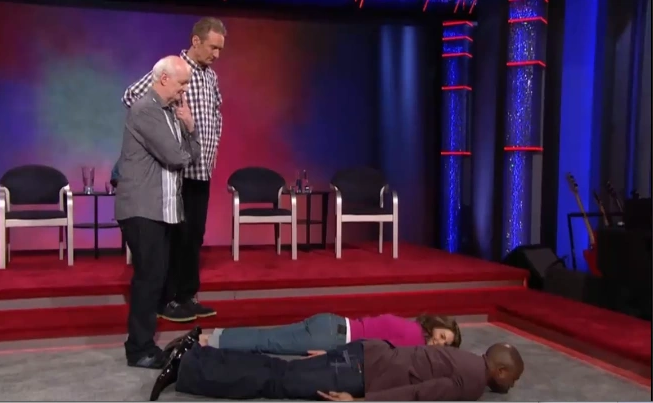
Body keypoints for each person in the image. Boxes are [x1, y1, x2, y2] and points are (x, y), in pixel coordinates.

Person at [120, 17, 226, 321]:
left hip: (201, 170)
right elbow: (132, 96)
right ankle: (167, 299)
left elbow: (216, 113)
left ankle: (187, 296)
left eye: (220, 49)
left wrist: (212, 145)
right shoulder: (173, 69)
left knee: (194, 237)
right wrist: (166, 122)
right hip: (177, 173)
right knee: (176, 238)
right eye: (213, 47)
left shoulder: (210, 77)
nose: (217, 54)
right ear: (196, 41)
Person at [115, 55, 201, 369]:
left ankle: (143, 344)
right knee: (149, 277)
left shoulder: (170, 112)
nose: (184, 89)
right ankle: (139, 349)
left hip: (162, 209)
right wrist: (188, 136)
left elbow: (188, 156)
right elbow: (176, 157)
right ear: (164, 79)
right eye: (182, 83)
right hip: (142, 208)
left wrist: (189, 130)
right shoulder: (145, 110)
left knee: (157, 276)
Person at [150, 332, 524, 401]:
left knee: (277, 370)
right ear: (501, 371)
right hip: (360, 372)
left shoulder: (466, 359)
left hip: (365, 354)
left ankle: (195, 356)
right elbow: (420, 395)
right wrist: (360, 402)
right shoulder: (473, 381)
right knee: (276, 380)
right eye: (514, 379)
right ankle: (189, 366)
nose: (512, 386)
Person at [199, 313, 462, 355]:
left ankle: (214, 336)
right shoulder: (415, 339)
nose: (439, 343)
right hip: (334, 338)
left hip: (330, 321)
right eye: (443, 336)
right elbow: (372, 348)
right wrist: (331, 355)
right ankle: (208, 341)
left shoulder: (411, 326)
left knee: (267, 336)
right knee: (267, 342)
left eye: (445, 344)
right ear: (437, 325)